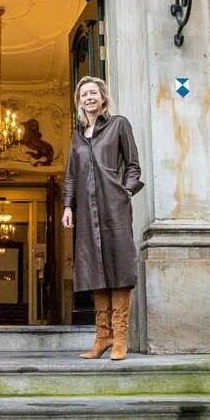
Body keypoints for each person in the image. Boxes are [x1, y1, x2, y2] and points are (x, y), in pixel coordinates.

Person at [62, 76, 143, 361]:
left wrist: (126, 192)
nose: (89, 97)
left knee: (119, 266)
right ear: (79, 102)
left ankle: (120, 337)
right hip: (86, 210)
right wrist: (67, 206)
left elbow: (133, 165)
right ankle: (102, 336)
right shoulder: (76, 136)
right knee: (94, 269)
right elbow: (71, 175)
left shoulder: (119, 124)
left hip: (115, 206)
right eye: (84, 94)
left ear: (103, 98)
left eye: (93, 92)